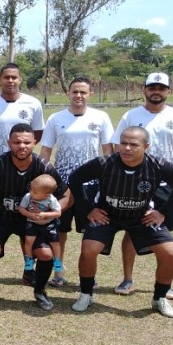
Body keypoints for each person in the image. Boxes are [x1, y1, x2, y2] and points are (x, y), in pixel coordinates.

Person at [70, 127, 173, 318]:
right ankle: (86, 294)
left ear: (146, 146)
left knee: (171, 253)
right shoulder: (104, 163)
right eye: (123, 143)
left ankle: (159, 298)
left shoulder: (157, 165)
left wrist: (163, 212)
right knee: (88, 250)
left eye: (133, 144)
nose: (126, 148)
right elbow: (74, 179)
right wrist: (88, 208)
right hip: (107, 216)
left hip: (140, 217)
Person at [110, 72, 173, 298]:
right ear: (144, 90)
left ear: (168, 91)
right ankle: (127, 279)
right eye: (152, 87)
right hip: (133, 182)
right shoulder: (131, 115)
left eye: (161, 88)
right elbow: (118, 147)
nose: (156, 91)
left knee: (162, 232)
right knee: (131, 229)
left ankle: (164, 283)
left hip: (166, 184)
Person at [0, 124, 69, 311]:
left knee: (45, 254)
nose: (22, 146)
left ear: (34, 143)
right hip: (3, 216)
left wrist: (49, 215)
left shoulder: (43, 166)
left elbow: (67, 195)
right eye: (17, 142)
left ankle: (40, 291)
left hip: (32, 221)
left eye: (27, 142)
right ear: (8, 143)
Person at [38, 77, 113, 286]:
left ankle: (88, 275)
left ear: (91, 94)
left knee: (90, 232)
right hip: (61, 185)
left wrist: (107, 181)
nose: (78, 96)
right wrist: (43, 178)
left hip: (91, 186)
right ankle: (58, 273)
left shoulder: (101, 117)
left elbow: (108, 152)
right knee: (59, 230)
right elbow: (45, 150)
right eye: (74, 92)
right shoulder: (55, 118)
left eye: (83, 92)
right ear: (68, 94)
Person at [0, 63, 44, 184]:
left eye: (14, 77)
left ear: (20, 80)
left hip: (23, 162)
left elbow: (38, 131)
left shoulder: (34, 104)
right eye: (6, 77)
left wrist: (23, 149)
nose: (10, 81)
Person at [18, 175, 63, 276]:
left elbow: (58, 213)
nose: (31, 192)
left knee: (55, 243)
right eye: (31, 189)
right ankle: (29, 259)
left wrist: (45, 214)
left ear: (46, 195)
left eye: (34, 192)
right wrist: (29, 215)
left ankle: (57, 261)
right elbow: (21, 208)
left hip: (49, 224)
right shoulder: (28, 197)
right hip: (32, 223)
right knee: (28, 241)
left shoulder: (51, 199)